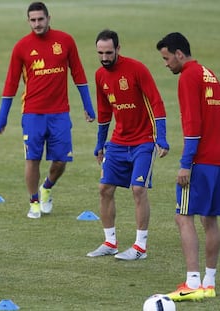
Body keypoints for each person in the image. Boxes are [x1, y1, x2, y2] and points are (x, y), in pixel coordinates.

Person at [0, 2, 96, 219]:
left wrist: (88, 105)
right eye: (33, 20)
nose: (37, 24)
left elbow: (78, 73)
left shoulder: (65, 41)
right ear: (28, 21)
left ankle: (46, 188)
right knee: (32, 159)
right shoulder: (21, 47)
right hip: (32, 113)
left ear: (49, 18)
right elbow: (11, 83)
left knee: (60, 161)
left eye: (41, 19)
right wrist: (2, 115)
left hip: (60, 113)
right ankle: (33, 202)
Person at [86, 29, 169, 260]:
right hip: (118, 142)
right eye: (100, 53)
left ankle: (140, 247)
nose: (104, 58)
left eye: (109, 53)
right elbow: (104, 113)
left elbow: (156, 102)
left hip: (143, 141)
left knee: (138, 189)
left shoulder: (136, 69)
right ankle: (110, 242)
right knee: (104, 189)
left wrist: (160, 137)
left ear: (118, 49)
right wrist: (100, 144)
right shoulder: (100, 75)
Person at [156, 32, 220, 301]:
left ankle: (192, 281)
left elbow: (192, 126)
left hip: (201, 161)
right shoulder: (209, 74)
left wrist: (185, 164)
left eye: (167, 58)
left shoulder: (188, 77)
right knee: (210, 219)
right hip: (217, 160)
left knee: (183, 217)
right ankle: (209, 281)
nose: (166, 63)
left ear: (179, 54)